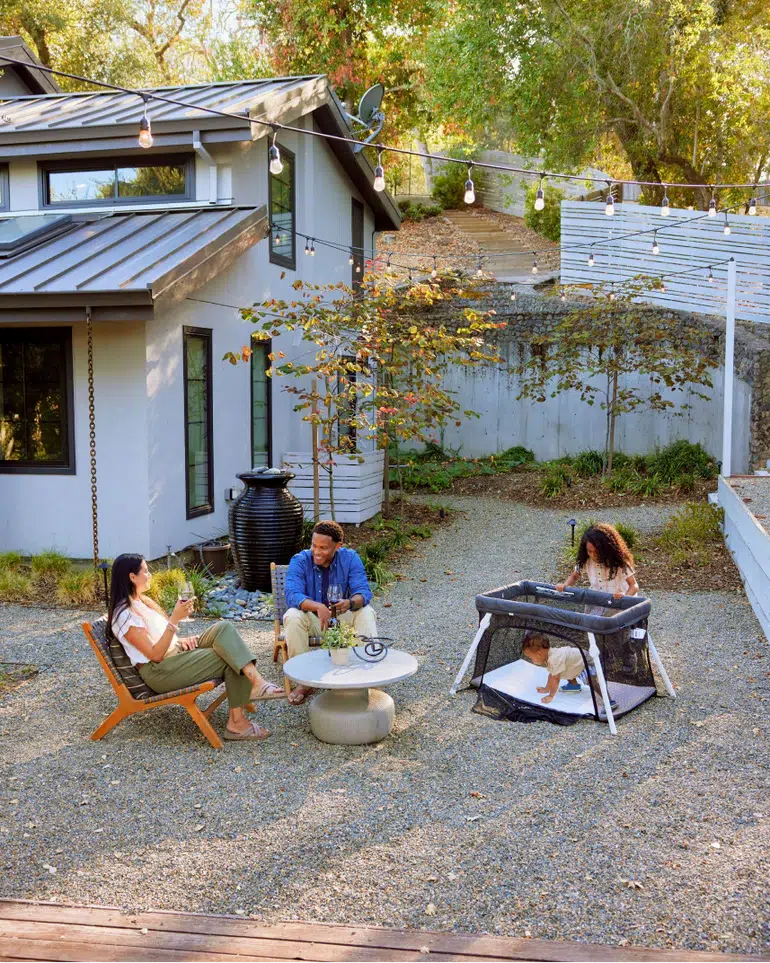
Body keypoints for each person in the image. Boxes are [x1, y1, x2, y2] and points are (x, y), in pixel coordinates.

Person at [107, 554, 284, 742]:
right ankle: (237, 724)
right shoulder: (124, 615)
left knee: (224, 629)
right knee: (227, 655)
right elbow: (156, 655)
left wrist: (181, 640)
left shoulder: (142, 602)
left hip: (175, 654)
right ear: (132, 577)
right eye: (145, 571)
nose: (150, 575)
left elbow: (158, 639)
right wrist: (174, 619)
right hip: (160, 671)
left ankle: (257, 683)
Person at [283, 520, 377, 705]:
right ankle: (304, 680)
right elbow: (292, 594)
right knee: (292, 616)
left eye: (323, 548)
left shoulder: (350, 558)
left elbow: (363, 592)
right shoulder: (300, 560)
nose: (317, 552)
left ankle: (366, 675)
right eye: (313, 545)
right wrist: (318, 607)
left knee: (366, 612)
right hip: (315, 621)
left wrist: (350, 602)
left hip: (342, 620)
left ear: (338, 546)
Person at [521, 631, 617, 710]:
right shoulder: (550, 657)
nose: (531, 660)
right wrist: (546, 688)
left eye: (530, 657)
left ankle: (609, 702)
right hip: (575, 663)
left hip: (588, 661)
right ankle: (573, 685)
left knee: (592, 681)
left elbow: (555, 679)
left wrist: (551, 695)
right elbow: (551, 674)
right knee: (565, 669)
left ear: (539, 654)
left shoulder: (553, 660)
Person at [556, 522, 638, 600]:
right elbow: (574, 576)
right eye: (589, 551)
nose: (593, 555)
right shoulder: (585, 560)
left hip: (617, 601)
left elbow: (634, 585)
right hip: (597, 600)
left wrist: (625, 597)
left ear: (607, 549)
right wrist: (565, 585)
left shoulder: (619, 562)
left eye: (597, 552)